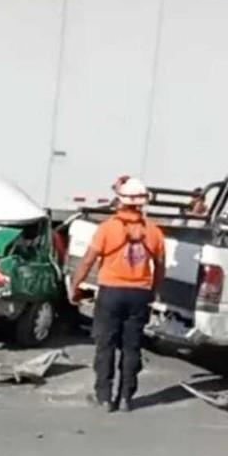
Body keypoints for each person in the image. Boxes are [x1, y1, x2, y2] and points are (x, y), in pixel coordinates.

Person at [69, 176, 166, 413]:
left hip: (111, 293)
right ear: (143, 203)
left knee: (106, 345)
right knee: (131, 347)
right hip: (140, 294)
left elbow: (88, 261)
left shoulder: (107, 229)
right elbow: (160, 267)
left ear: (120, 201)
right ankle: (126, 398)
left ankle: (104, 397)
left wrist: (75, 286)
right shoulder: (154, 232)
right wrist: (153, 291)